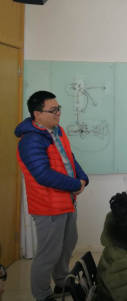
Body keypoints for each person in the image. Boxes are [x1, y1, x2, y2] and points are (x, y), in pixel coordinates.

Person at [15, 91, 89, 301]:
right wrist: (75, 184)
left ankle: (61, 282)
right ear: (37, 114)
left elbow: (69, 158)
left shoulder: (58, 131)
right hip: (48, 207)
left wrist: (83, 178)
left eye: (59, 109)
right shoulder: (30, 140)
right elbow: (43, 175)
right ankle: (42, 295)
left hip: (67, 201)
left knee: (66, 246)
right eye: (53, 110)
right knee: (48, 254)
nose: (58, 113)